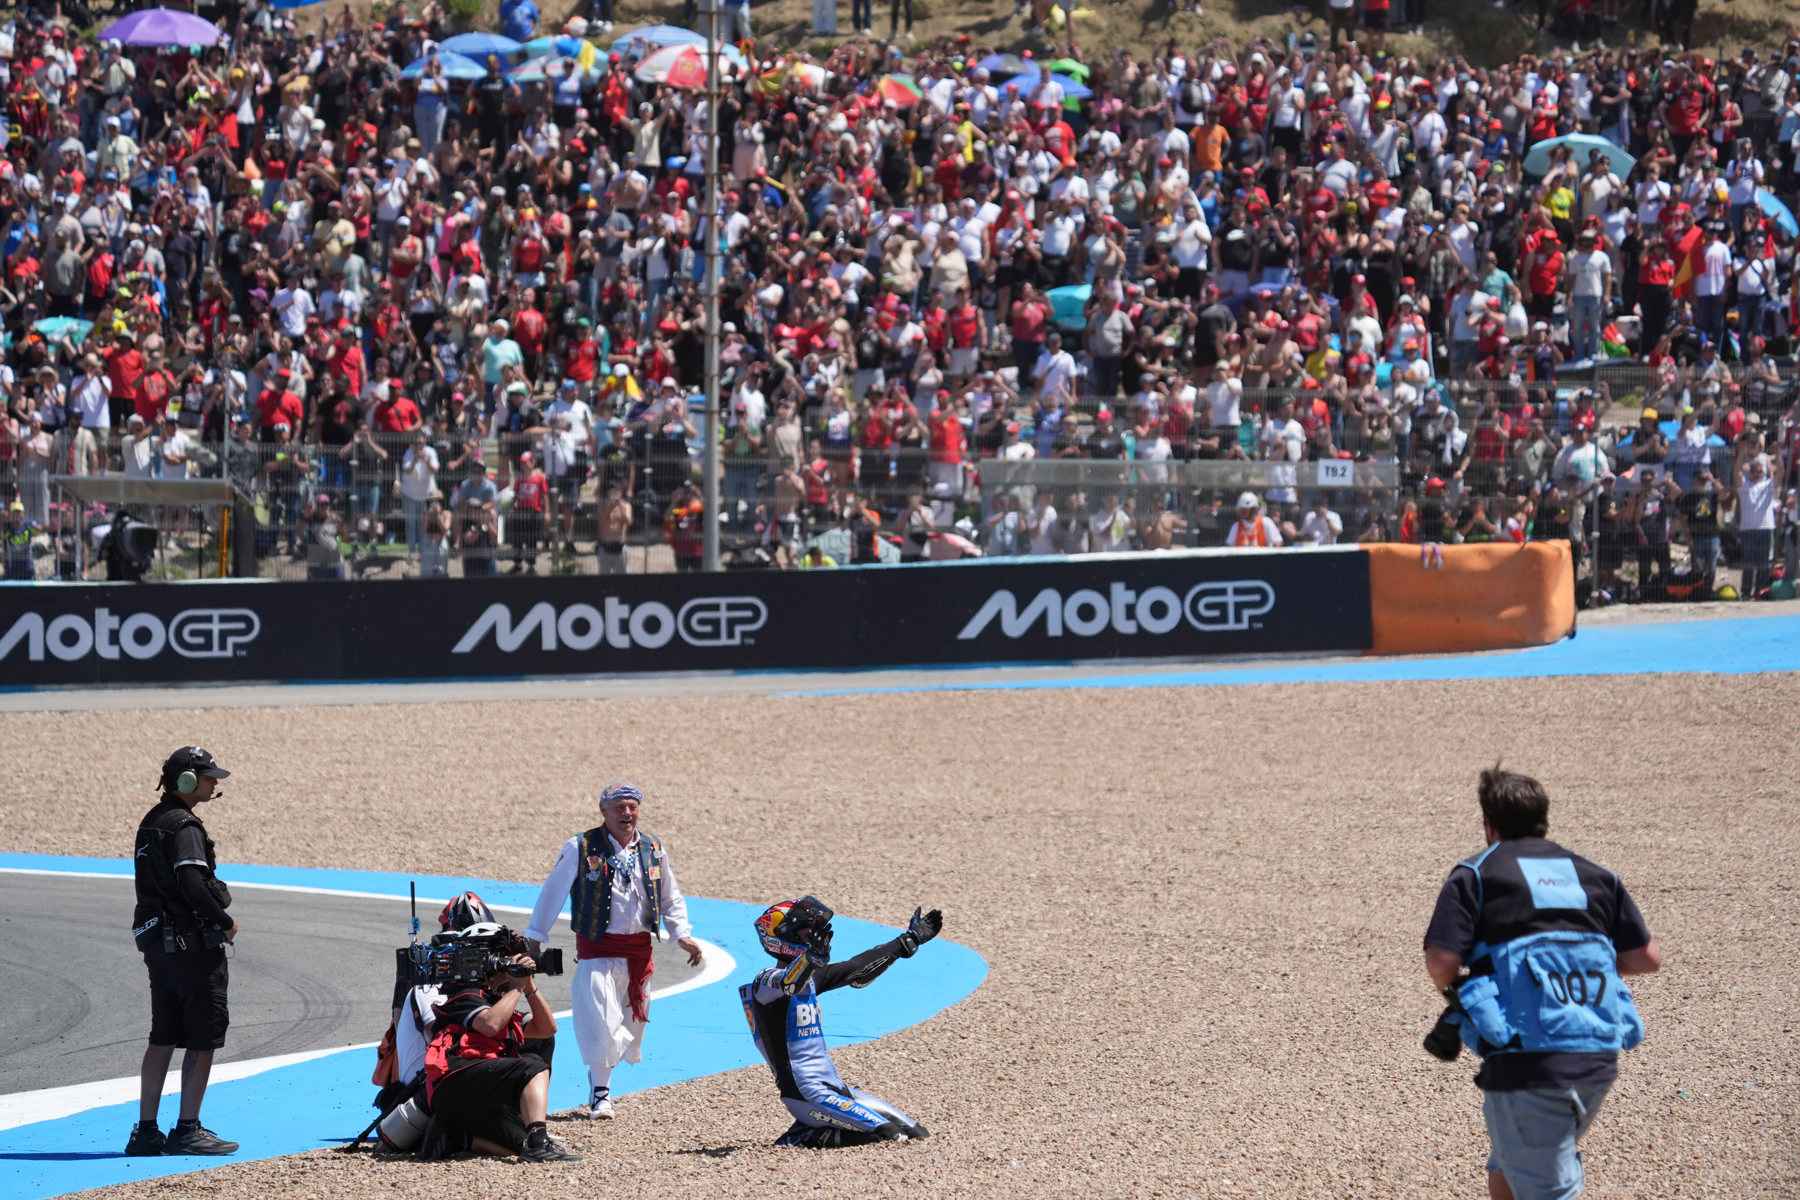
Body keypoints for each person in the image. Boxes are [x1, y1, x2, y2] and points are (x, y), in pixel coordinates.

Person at [1423, 766, 1661, 1200]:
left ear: (1488, 824)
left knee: (1546, 1184)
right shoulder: (1595, 875)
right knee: (1513, 1157)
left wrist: (1467, 990)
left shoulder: (1477, 874)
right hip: (1597, 1056)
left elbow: (1442, 961)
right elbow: (1645, 958)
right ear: (1543, 820)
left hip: (1527, 1061)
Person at [524, 783, 702, 1120]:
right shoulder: (580, 846)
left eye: (632, 807)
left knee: (630, 1027)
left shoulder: (654, 848)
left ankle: (604, 1080)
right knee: (601, 1024)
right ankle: (600, 1093)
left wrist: (682, 934)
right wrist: (536, 935)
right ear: (603, 811)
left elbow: (670, 894)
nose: (627, 813)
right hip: (598, 952)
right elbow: (553, 892)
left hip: (638, 955)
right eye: (619, 807)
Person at [741, 896, 942, 1147]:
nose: (813, 935)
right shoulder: (765, 981)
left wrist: (907, 941)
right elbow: (789, 983)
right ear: (783, 937)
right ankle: (801, 1135)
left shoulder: (812, 978)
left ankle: (815, 1126)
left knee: (915, 1131)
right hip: (806, 1094)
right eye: (805, 930)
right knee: (890, 1135)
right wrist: (810, 959)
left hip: (835, 1088)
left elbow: (856, 968)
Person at [127, 747, 239, 1157]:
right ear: (188, 780)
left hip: (160, 948)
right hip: (193, 948)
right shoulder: (185, 828)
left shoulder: (151, 823)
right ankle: (188, 1128)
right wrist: (226, 924)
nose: (214, 784)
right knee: (202, 1038)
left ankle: (145, 1131)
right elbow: (193, 885)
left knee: (162, 1036)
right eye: (209, 777)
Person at [420, 925, 577, 1162]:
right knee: (532, 1064)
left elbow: (545, 1029)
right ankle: (538, 1137)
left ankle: (457, 1138)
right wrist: (516, 987)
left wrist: (529, 986)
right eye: (508, 958)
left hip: (477, 1092)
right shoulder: (466, 995)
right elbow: (490, 1025)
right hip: (452, 1083)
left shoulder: (498, 1000)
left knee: (519, 1143)